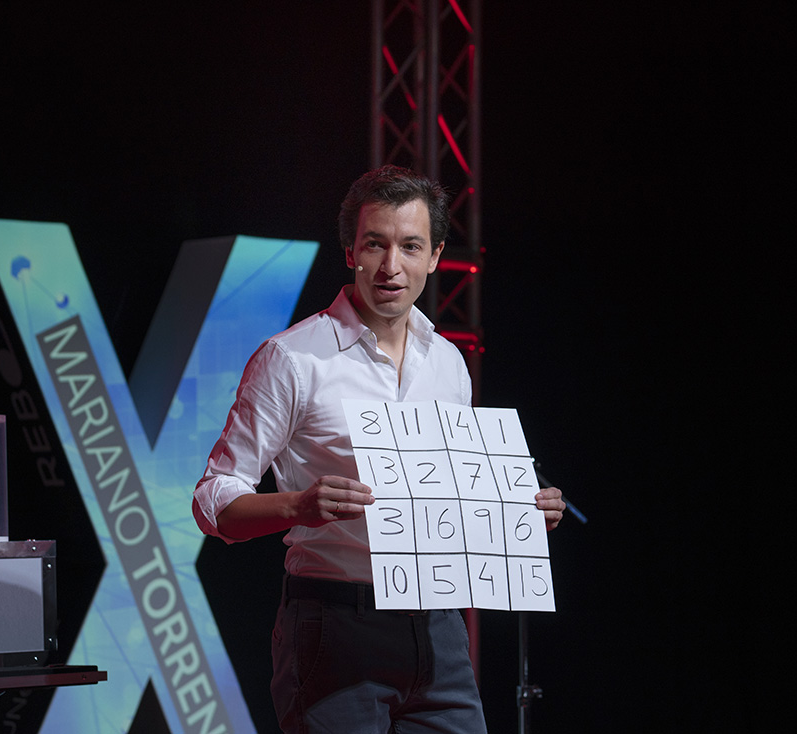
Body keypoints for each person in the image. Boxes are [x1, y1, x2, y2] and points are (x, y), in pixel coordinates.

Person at [193, 165, 566, 733]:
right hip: (334, 623)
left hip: (438, 628)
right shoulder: (292, 359)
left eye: (411, 246)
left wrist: (516, 512)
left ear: (435, 256)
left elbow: (449, 496)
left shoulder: (447, 362)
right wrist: (297, 505)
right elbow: (213, 501)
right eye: (375, 244)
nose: (392, 266)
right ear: (351, 252)